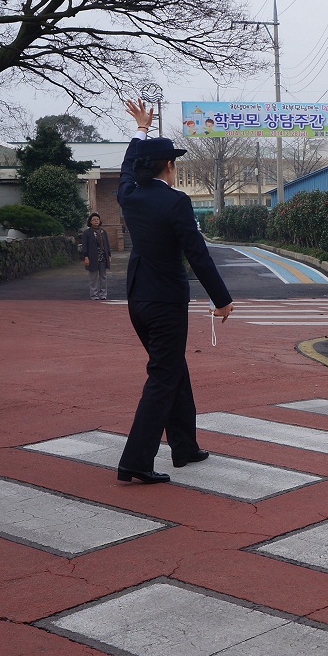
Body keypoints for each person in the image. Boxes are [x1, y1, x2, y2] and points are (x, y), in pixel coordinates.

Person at [115, 99, 234, 485]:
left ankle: (183, 446)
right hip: (166, 301)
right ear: (169, 167)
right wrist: (221, 298)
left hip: (138, 299)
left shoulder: (129, 195)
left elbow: (125, 169)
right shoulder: (176, 202)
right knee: (163, 376)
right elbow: (196, 254)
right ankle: (135, 459)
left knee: (172, 369)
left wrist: (140, 130)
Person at [81, 212, 112, 300]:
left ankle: (103, 294)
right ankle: (94, 295)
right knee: (93, 277)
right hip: (92, 257)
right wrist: (86, 257)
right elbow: (85, 246)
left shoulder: (103, 232)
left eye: (97, 219)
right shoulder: (87, 233)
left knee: (103, 276)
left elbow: (107, 244)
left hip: (103, 256)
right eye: (94, 220)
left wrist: (109, 255)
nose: (96, 221)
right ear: (90, 222)